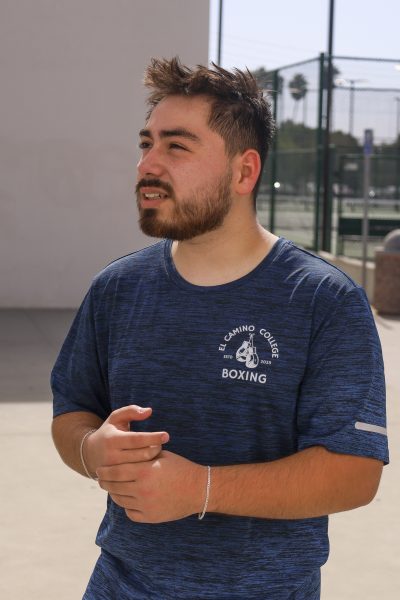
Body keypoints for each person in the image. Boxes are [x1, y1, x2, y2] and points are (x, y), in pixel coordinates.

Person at [51, 57, 389, 600]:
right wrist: (92, 450)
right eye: (147, 143)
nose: (147, 165)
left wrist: (201, 488)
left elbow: (354, 470)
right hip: (120, 581)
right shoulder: (116, 289)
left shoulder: (323, 300)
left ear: (243, 172)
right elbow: (71, 411)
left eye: (176, 146)